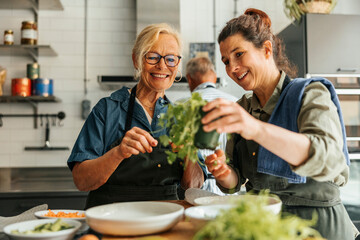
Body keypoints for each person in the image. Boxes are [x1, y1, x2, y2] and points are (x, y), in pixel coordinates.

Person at [201, 8, 359, 240]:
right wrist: (223, 172)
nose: (232, 67)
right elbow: (235, 182)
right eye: (226, 61)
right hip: (266, 228)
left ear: (266, 49)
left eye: (239, 54)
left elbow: (329, 158)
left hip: (319, 228)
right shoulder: (243, 108)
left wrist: (255, 129)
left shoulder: (310, 94)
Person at [67, 23, 204, 209]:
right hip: (111, 216)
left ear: (177, 64)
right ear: (137, 60)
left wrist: (189, 153)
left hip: (166, 215)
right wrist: (118, 153)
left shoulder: (181, 117)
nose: (162, 65)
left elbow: (194, 187)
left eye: (171, 59)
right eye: (152, 57)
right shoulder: (107, 109)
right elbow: (81, 181)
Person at [185, 57, 237, 195]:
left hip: (193, 188)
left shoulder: (181, 106)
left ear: (189, 79)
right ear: (214, 77)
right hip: (230, 185)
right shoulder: (236, 103)